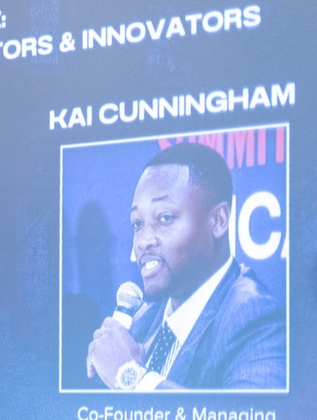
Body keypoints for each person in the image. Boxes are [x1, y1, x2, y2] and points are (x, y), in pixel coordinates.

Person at [86, 142, 284, 390]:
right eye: (137, 223)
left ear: (219, 221)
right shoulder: (144, 316)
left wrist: (129, 376)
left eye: (164, 218)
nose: (144, 241)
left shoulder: (253, 316)